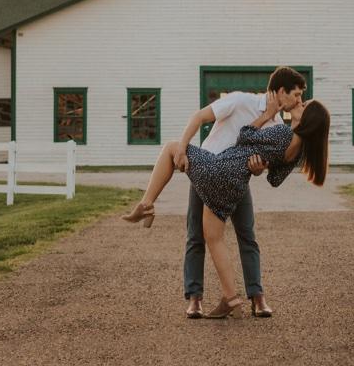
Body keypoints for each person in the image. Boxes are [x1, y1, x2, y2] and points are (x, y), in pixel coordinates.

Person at [123, 93, 330, 320]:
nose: (300, 102)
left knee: (172, 148)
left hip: (222, 168)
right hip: (236, 183)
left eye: (304, 104)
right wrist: (260, 164)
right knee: (213, 237)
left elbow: (244, 136)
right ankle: (230, 297)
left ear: (308, 119)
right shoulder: (298, 152)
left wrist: (265, 117)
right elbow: (274, 179)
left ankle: (147, 203)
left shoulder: (282, 132)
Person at [173, 67, 306, 319]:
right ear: (280, 91)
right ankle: (195, 299)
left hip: (235, 182)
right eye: (296, 94)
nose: (298, 100)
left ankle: (257, 298)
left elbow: (262, 166)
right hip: (206, 169)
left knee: (247, 235)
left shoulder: (278, 125)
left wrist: (257, 169)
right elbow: (198, 117)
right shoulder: (240, 100)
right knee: (195, 235)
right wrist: (182, 148)